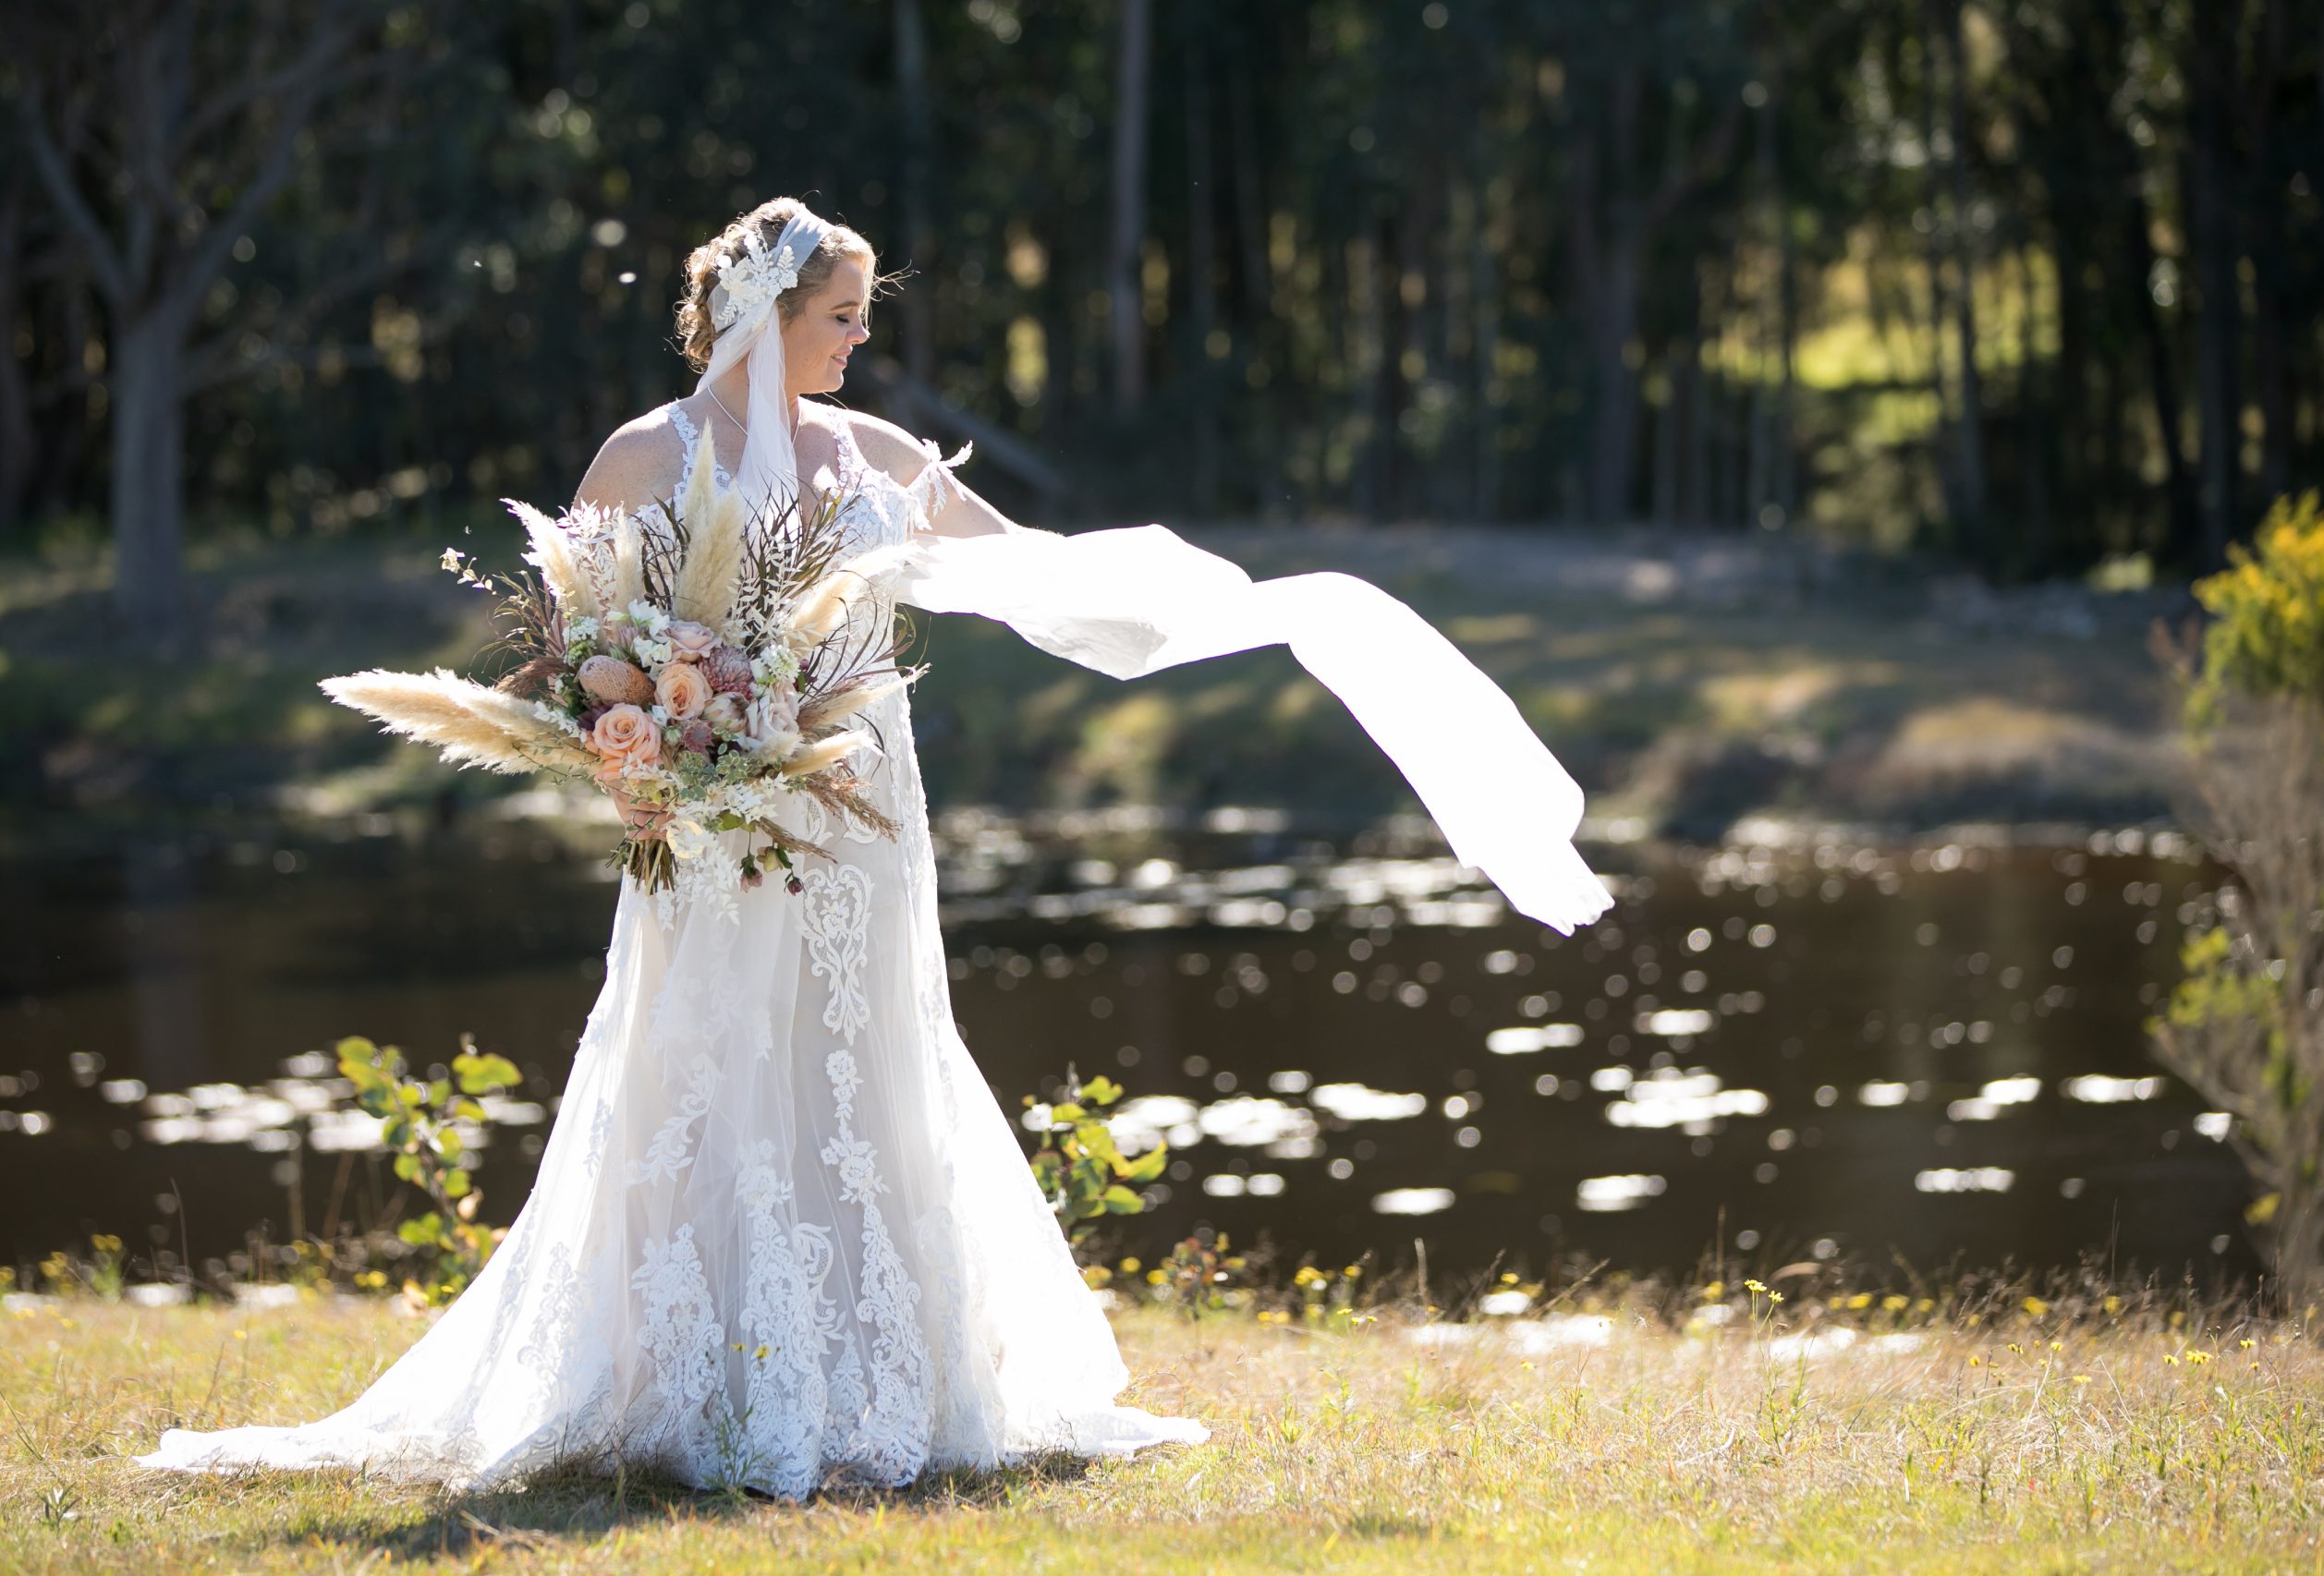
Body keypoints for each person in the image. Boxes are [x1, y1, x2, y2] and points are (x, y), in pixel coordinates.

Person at [139, 195, 1612, 1499]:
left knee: (866, 1056)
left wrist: (1216, 607)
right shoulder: (644, 455)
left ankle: (890, 1374)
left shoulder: (878, 453)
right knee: (703, 1053)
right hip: (712, 821)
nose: (854, 343)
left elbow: (1020, 565)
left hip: (859, 804)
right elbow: (581, 641)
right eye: (840, 318)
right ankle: (690, 1377)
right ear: (766, 314)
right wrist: (639, 760)